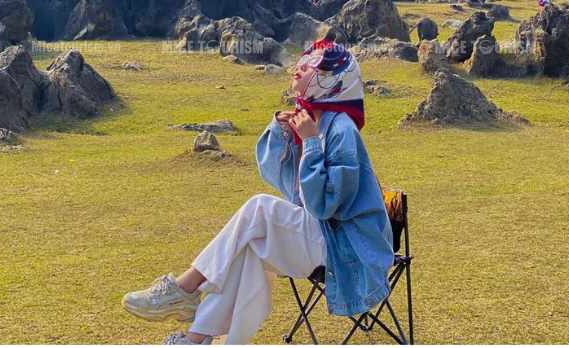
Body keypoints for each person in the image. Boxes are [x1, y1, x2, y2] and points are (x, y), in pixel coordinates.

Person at [122, 40, 393, 345]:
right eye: (301, 62)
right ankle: (196, 339)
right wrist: (285, 134)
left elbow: (325, 206)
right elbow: (279, 177)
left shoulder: (342, 129)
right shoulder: (313, 121)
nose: (298, 68)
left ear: (331, 81)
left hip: (347, 248)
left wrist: (312, 143)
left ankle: (185, 287)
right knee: (246, 253)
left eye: (311, 66)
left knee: (260, 208)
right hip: (322, 236)